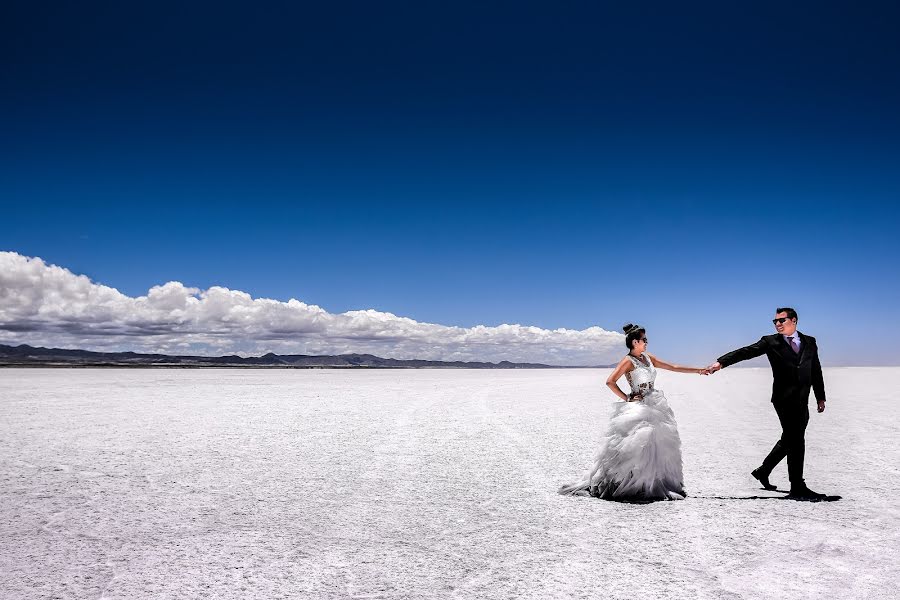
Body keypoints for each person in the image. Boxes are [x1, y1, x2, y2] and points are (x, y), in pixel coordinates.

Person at [559, 324, 710, 501]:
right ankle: (632, 484)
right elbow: (610, 381)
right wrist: (627, 398)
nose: (647, 343)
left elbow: (673, 367)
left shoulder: (648, 358)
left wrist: (700, 370)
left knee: (657, 445)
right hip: (638, 407)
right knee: (637, 446)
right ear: (635, 342)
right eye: (644, 340)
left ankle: (652, 483)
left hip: (655, 403)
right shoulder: (628, 361)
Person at [707, 307, 827, 500]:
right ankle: (797, 486)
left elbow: (815, 370)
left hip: (802, 399)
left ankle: (763, 471)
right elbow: (746, 352)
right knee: (796, 440)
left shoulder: (809, 342)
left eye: (782, 320)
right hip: (784, 399)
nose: (778, 324)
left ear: (794, 320)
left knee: (790, 438)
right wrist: (721, 363)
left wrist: (820, 396)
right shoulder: (770, 342)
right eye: (775, 322)